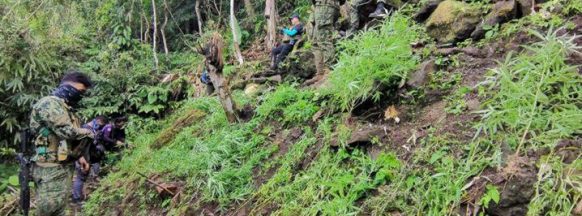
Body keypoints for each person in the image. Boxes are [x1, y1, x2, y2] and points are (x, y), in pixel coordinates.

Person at [29, 70, 95, 215]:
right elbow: (67, 132)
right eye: (80, 91)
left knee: (58, 208)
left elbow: (65, 139)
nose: (81, 96)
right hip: (50, 168)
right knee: (50, 210)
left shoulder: (66, 109)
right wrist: (90, 132)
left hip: (61, 166)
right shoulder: (49, 103)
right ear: (68, 87)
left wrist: (81, 157)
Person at [305, 0, 345, 86]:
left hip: (325, 5)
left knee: (324, 40)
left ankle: (329, 71)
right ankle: (320, 73)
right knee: (315, 42)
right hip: (321, 6)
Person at [72, 116, 107, 204]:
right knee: (80, 177)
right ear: (97, 121)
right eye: (101, 125)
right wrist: (81, 159)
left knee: (82, 178)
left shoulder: (90, 129)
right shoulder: (85, 130)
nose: (100, 127)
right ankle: (76, 199)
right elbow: (80, 146)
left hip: (86, 157)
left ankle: (77, 196)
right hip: (82, 157)